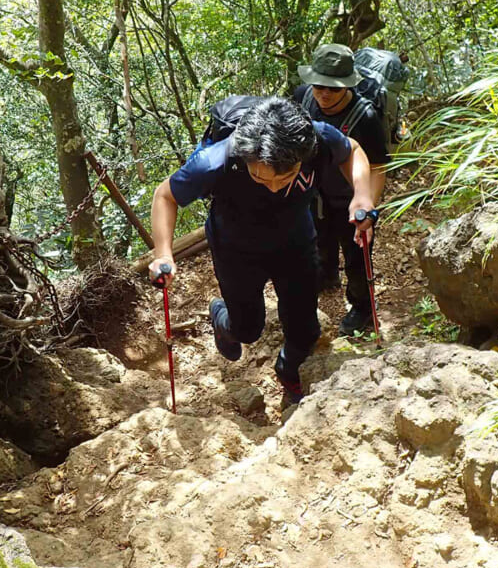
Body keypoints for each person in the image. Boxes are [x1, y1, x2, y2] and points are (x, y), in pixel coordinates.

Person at [147, 97, 373, 404]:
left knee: (305, 327)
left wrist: (361, 195)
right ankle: (222, 317)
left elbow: (353, 151)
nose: (274, 188)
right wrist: (164, 253)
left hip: (296, 240)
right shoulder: (218, 160)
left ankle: (289, 373)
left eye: (285, 178)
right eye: (260, 178)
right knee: (247, 329)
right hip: (236, 249)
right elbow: (165, 195)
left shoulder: (315, 139)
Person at [294, 44, 389, 336]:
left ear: (347, 86)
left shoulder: (366, 117)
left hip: (351, 199)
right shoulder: (302, 98)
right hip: (314, 193)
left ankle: (361, 307)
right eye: (319, 85)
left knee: (357, 257)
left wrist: (369, 207)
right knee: (318, 243)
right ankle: (326, 277)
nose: (323, 94)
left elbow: (377, 166)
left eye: (332, 89)